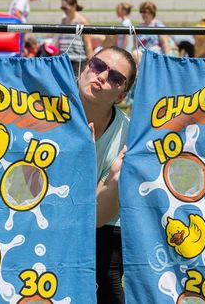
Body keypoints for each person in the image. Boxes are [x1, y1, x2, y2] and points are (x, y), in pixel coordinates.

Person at [77, 46, 137, 304]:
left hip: (103, 228)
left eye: (115, 78)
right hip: (49, 218)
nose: (101, 76)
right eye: (98, 65)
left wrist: (111, 179)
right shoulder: (45, 116)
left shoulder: (128, 136)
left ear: (121, 94)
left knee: (109, 285)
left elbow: (96, 218)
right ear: (84, 66)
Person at [54, 0, 93, 75]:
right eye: (62, 8)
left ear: (74, 6)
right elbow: (59, 39)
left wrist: (91, 63)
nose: (64, 11)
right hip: (63, 60)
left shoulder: (82, 21)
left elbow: (88, 43)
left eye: (66, 8)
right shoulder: (64, 20)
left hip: (77, 61)